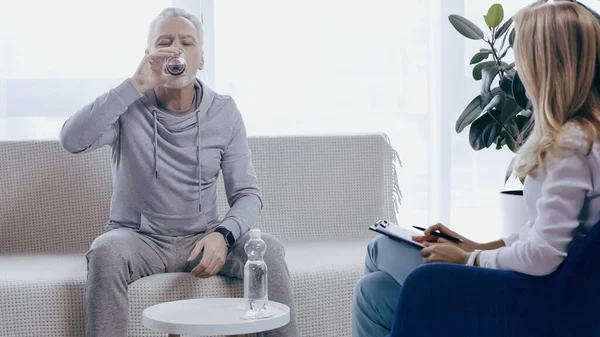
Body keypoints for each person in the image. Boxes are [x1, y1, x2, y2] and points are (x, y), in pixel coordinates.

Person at [352, 1, 600, 336]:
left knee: (379, 251)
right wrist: (472, 245)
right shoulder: (584, 136)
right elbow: (541, 233)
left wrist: (468, 260)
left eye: (524, 58)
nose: (519, 71)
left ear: (547, 66)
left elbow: (543, 254)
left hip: (530, 302)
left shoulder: (571, 143)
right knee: (373, 290)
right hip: (541, 292)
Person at [58, 7, 300, 337]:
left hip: (203, 238)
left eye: (186, 42)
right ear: (149, 55)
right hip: (138, 240)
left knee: (268, 249)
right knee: (105, 251)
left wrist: (224, 235)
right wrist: (135, 84)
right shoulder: (127, 107)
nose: (176, 50)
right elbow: (72, 140)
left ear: (200, 58)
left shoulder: (224, 111)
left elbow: (247, 194)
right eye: (164, 41)